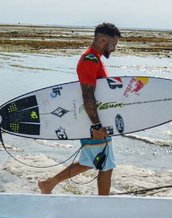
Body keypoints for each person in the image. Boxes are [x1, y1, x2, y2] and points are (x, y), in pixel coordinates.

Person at [38, 22, 121, 196]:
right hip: (91, 120)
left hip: (94, 119)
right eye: (113, 44)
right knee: (105, 164)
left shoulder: (94, 58)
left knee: (94, 162)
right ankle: (102, 205)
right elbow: (87, 94)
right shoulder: (89, 60)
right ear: (103, 39)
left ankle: (49, 184)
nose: (114, 49)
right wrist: (97, 126)